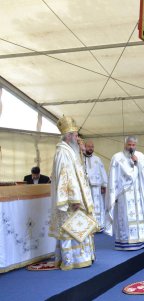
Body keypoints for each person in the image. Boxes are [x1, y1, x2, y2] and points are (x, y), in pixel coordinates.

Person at [49, 115, 95, 270]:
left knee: (79, 227)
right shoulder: (63, 152)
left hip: (77, 198)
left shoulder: (71, 151)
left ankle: (82, 257)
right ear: (68, 137)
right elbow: (65, 177)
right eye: (76, 136)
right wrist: (74, 199)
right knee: (71, 229)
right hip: (71, 201)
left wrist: (81, 151)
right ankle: (72, 260)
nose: (78, 139)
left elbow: (78, 172)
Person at [106, 136, 144, 251]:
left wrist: (138, 163)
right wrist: (114, 194)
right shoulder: (117, 158)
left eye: (133, 145)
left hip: (138, 193)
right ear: (125, 144)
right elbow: (113, 177)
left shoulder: (141, 156)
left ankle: (143, 240)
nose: (131, 147)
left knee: (140, 216)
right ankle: (126, 242)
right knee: (126, 217)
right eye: (129, 145)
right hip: (124, 194)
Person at [83, 140, 108, 231]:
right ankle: (87, 225)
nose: (91, 148)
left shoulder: (97, 159)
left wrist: (104, 184)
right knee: (86, 206)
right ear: (84, 147)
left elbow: (102, 172)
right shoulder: (80, 159)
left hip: (96, 187)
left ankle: (98, 225)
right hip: (85, 187)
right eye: (89, 146)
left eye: (92, 147)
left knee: (98, 205)